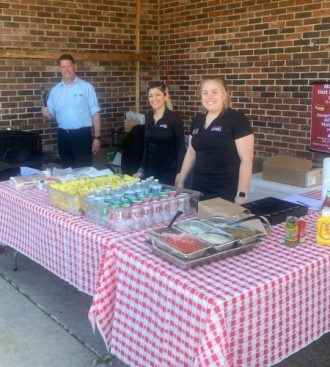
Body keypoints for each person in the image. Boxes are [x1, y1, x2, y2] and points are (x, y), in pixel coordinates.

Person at [176, 76, 254, 204]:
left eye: (214, 92)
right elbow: (191, 153)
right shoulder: (197, 121)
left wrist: (242, 193)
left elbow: (247, 159)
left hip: (225, 191)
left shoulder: (237, 119)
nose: (209, 97)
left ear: (224, 95)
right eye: (205, 92)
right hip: (198, 189)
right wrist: (180, 181)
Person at [42, 54, 101, 168]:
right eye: (63, 67)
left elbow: (95, 113)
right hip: (63, 136)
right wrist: (46, 115)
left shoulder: (86, 87)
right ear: (60, 69)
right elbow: (51, 117)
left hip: (82, 136)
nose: (66, 69)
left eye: (69, 66)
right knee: (67, 171)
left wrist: (97, 138)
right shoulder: (55, 90)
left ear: (75, 67)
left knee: (84, 171)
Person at [134, 81, 186, 185]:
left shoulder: (174, 119)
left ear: (165, 97)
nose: (154, 99)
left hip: (168, 172)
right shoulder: (148, 117)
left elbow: (181, 149)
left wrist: (180, 174)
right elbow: (146, 145)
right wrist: (141, 169)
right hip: (151, 171)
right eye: (151, 96)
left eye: (158, 95)